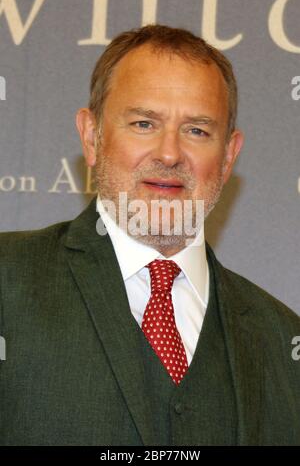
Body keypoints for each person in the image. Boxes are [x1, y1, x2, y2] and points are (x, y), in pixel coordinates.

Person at [0, 24, 299, 446]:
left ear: (229, 155)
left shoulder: (283, 340)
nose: (169, 153)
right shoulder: (6, 281)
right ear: (92, 137)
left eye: (197, 130)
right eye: (143, 123)